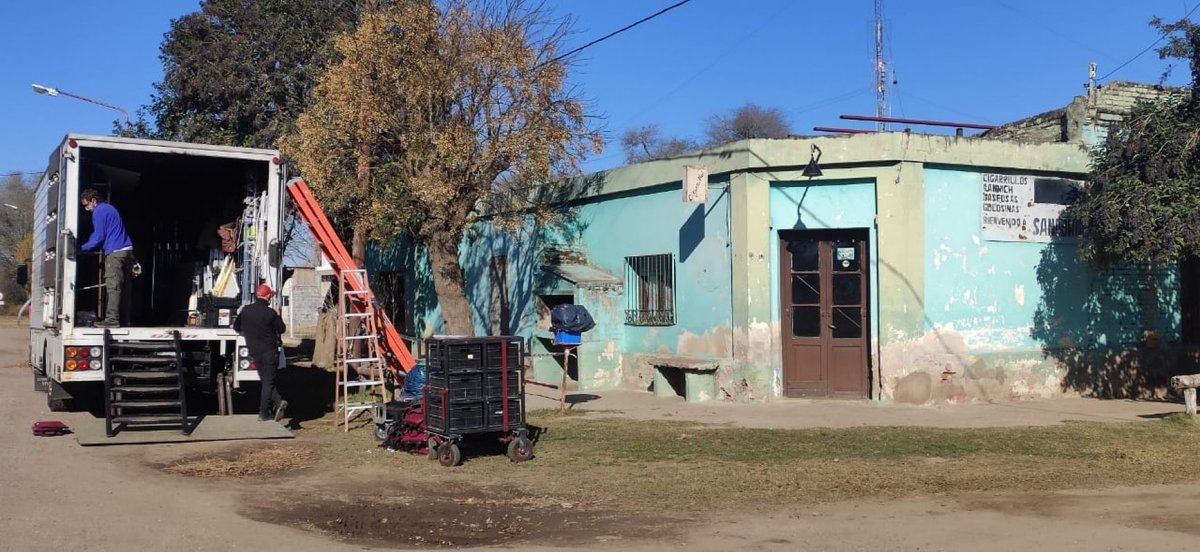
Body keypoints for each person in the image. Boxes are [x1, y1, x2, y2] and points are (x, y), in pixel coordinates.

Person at [234, 284, 289, 421]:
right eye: (270, 296)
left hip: (255, 352)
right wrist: (278, 315)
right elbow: (282, 329)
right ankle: (263, 413)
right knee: (268, 383)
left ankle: (279, 402)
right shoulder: (271, 313)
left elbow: (236, 327)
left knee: (265, 380)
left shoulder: (246, 310)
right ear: (268, 296)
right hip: (270, 352)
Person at [79, 188, 134, 327]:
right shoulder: (109, 208)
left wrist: (81, 248)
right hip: (127, 250)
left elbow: (98, 236)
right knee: (124, 287)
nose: (86, 208)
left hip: (115, 252)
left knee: (113, 286)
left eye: (86, 205)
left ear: (93, 200)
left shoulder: (99, 211)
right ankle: (124, 319)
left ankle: (112, 320)